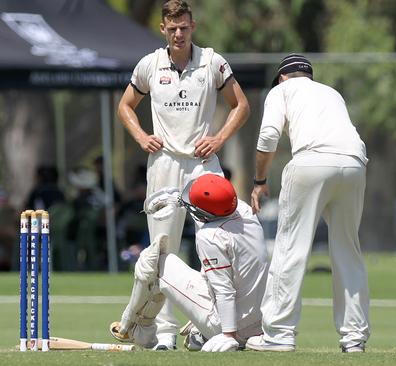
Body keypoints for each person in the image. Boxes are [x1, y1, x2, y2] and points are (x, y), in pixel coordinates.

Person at [116, 0, 250, 350]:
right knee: (163, 249)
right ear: (163, 29)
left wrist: (219, 137)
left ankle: (210, 327)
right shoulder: (150, 64)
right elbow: (125, 106)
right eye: (172, 28)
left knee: (218, 242)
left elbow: (242, 105)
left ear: (193, 26)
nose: (179, 33)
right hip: (164, 163)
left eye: (184, 27)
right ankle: (163, 334)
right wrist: (142, 136)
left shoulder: (212, 61)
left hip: (203, 164)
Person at [247, 54, 370, 353]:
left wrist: (260, 181)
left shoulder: (280, 91)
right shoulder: (331, 92)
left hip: (312, 161)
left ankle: (278, 334)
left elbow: (268, 136)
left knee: (290, 247)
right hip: (354, 163)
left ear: (282, 78)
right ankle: (354, 338)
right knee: (347, 250)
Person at [110, 174, 268, 352]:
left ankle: (135, 329)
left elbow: (224, 290)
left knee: (153, 260)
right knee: (214, 274)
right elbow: (214, 204)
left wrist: (228, 335)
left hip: (231, 326)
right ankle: (201, 334)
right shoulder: (245, 211)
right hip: (258, 322)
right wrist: (179, 199)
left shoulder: (210, 236)